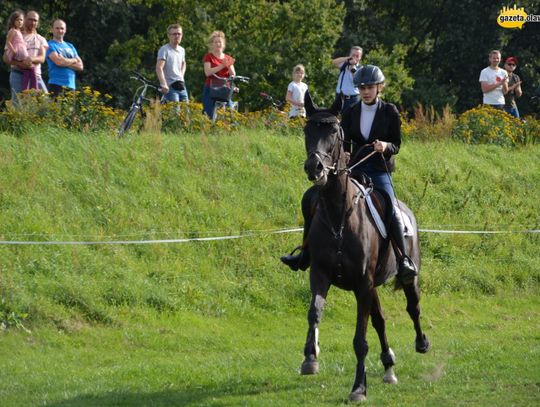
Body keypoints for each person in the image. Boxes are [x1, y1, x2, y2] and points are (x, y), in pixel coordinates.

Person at [280, 65, 418, 285]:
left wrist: (384, 145)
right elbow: (343, 141)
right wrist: (344, 152)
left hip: (380, 170)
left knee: (390, 207)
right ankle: (305, 253)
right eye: (362, 88)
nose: (365, 91)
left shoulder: (389, 111)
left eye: (370, 87)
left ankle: (403, 261)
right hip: (354, 169)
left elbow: (397, 145)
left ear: (379, 88)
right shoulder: (351, 111)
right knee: (312, 198)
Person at [45, 19, 83, 97]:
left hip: (71, 85)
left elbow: (80, 66)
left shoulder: (70, 46)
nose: (60, 30)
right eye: (57, 28)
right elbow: (58, 62)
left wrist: (64, 61)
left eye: (62, 28)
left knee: (70, 109)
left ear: (65, 30)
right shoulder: (50, 45)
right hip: (56, 85)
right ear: (52, 30)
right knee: (55, 109)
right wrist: (74, 60)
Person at [202, 31, 235, 118]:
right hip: (210, 87)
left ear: (223, 44)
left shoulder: (228, 58)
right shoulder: (209, 57)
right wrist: (222, 66)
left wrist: (227, 65)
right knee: (209, 112)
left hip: (225, 88)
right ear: (212, 44)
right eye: (215, 42)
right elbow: (207, 72)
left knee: (228, 111)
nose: (218, 44)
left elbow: (233, 74)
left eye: (220, 42)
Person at [156, 24, 188, 103]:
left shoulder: (182, 50)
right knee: (175, 113)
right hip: (170, 87)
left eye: (179, 34)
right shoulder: (164, 50)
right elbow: (159, 67)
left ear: (182, 35)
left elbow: (184, 63)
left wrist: (181, 75)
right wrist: (163, 84)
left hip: (181, 85)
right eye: (174, 34)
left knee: (186, 112)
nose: (177, 36)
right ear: (169, 36)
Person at [332, 46, 363, 112]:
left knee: (351, 119)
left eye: (357, 56)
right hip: (340, 97)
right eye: (353, 55)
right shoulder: (344, 64)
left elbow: (357, 80)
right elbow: (333, 62)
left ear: (360, 57)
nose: (354, 57)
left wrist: (352, 69)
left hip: (353, 99)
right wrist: (347, 59)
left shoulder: (361, 68)